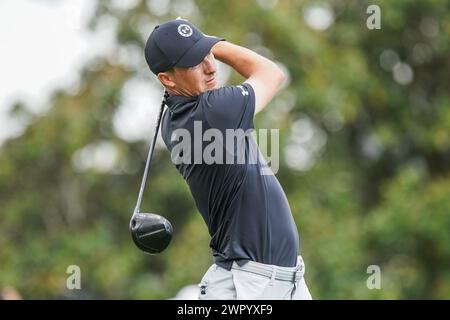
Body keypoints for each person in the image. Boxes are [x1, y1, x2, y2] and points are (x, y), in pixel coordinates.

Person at [144, 18, 312, 300]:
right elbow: (271, 73)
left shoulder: (177, 116)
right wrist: (215, 44)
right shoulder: (211, 112)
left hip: (282, 280)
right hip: (249, 286)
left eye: (207, 54)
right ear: (167, 79)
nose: (210, 67)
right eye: (194, 62)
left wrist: (198, 46)